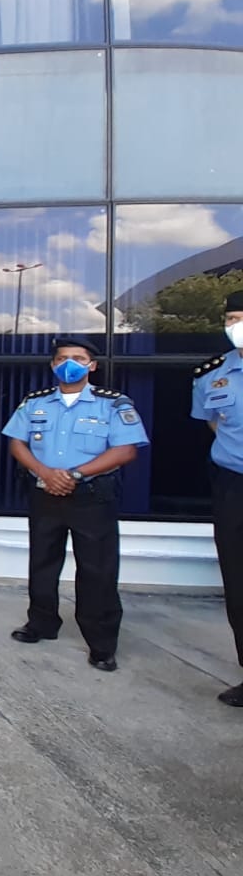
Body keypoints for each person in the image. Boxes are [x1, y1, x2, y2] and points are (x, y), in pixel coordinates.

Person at [3, 339, 149, 672]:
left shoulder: (112, 405)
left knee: (97, 570)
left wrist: (74, 474)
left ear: (92, 365)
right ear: (53, 365)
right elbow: (17, 443)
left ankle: (101, 643)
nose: (70, 363)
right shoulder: (35, 403)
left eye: (79, 358)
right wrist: (43, 472)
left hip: (92, 497)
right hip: (44, 493)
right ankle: (41, 623)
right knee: (42, 563)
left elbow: (126, 450)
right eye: (63, 358)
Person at [191, 290, 243, 705]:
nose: (235, 325)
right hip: (232, 484)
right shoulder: (211, 375)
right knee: (238, 581)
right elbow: (214, 425)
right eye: (231, 318)